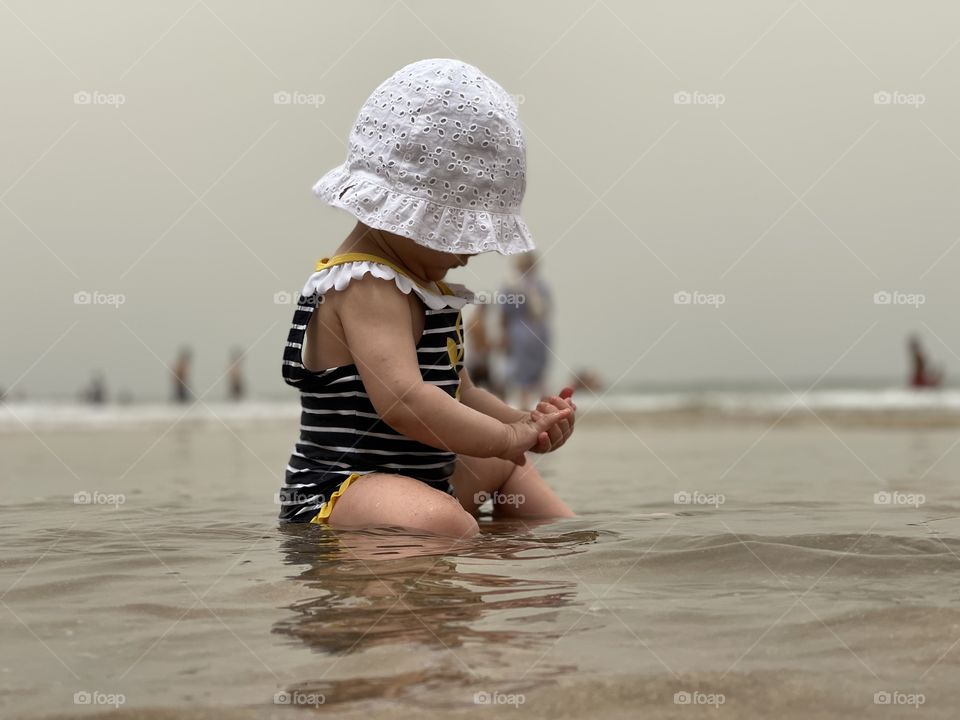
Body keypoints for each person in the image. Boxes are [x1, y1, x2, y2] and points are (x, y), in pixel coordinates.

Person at [278, 59, 577, 537]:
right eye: (459, 227)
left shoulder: (427, 288)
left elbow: (462, 392)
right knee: (445, 521)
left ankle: (553, 563)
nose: (475, 245)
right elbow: (405, 400)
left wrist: (525, 426)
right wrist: (503, 437)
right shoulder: (366, 284)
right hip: (341, 489)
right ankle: (428, 555)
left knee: (508, 469)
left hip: (420, 483)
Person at [501, 253, 552, 409]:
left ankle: (530, 408)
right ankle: (538, 408)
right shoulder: (536, 286)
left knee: (528, 375)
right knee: (530, 375)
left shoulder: (513, 286)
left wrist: (504, 335)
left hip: (527, 334)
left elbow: (505, 315)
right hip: (532, 333)